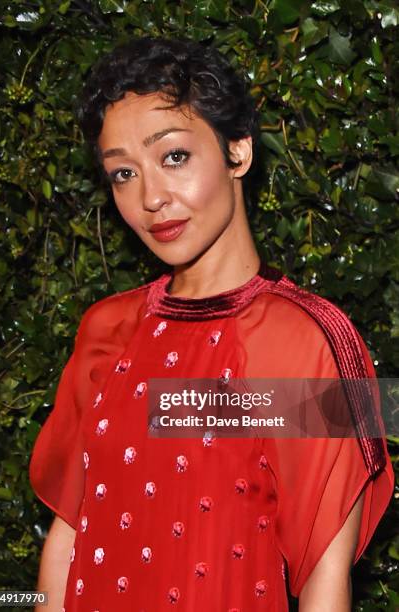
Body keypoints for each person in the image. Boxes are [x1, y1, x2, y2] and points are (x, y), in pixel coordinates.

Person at [29, 37, 394, 611]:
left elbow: (326, 581)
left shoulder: (304, 339)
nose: (151, 197)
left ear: (238, 151)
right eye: (123, 174)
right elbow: (68, 538)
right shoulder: (107, 330)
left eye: (173, 157)